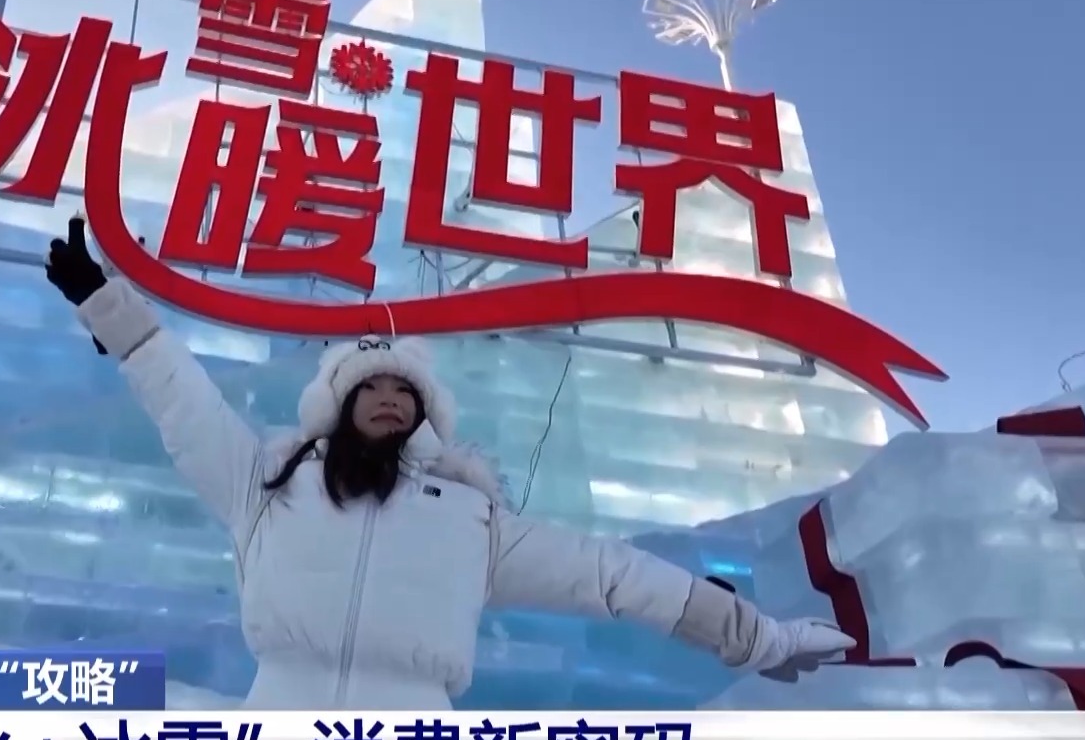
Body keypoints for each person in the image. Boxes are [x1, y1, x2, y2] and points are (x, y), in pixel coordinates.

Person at [45, 216, 854, 709]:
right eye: (373, 386)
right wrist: (106, 304)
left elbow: (612, 575)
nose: (391, 399)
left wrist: (757, 637)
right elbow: (182, 401)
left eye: (408, 392)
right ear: (340, 402)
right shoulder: (266, 483)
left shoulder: (473, 520)